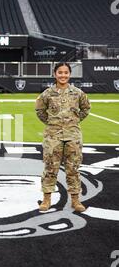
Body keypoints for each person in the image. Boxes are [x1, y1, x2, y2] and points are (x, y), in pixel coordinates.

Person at [35, 62, 91, 213]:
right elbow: (40, 110)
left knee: (73, 168)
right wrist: (51, 123)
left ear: (69, 74)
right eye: (60, 72)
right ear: (55, 74)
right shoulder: (47, 93)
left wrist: (74, 121)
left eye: (66, 72)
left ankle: (75, 200)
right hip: (53, 136)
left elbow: (86, 108)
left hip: (73, 136)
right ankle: (46, 200)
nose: (63, 75)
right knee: (50, 168)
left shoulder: (78, 93)